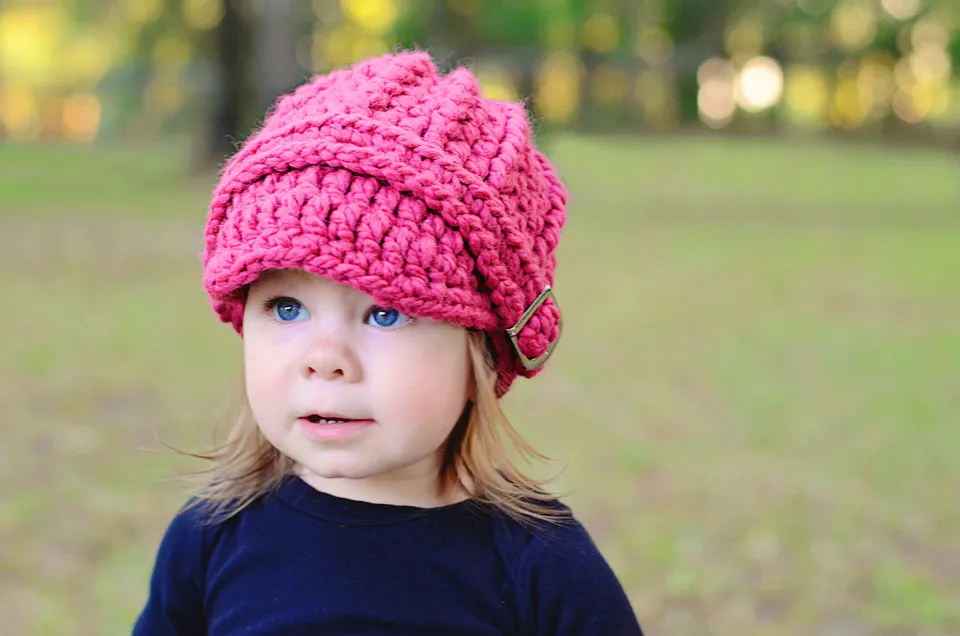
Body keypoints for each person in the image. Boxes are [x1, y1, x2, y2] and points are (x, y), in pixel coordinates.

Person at [133, 50, 643, 636]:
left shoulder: (541, 565)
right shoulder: (210, 539)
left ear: (482, 350)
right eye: (287, 308)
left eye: (385, 313)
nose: (324, 360)